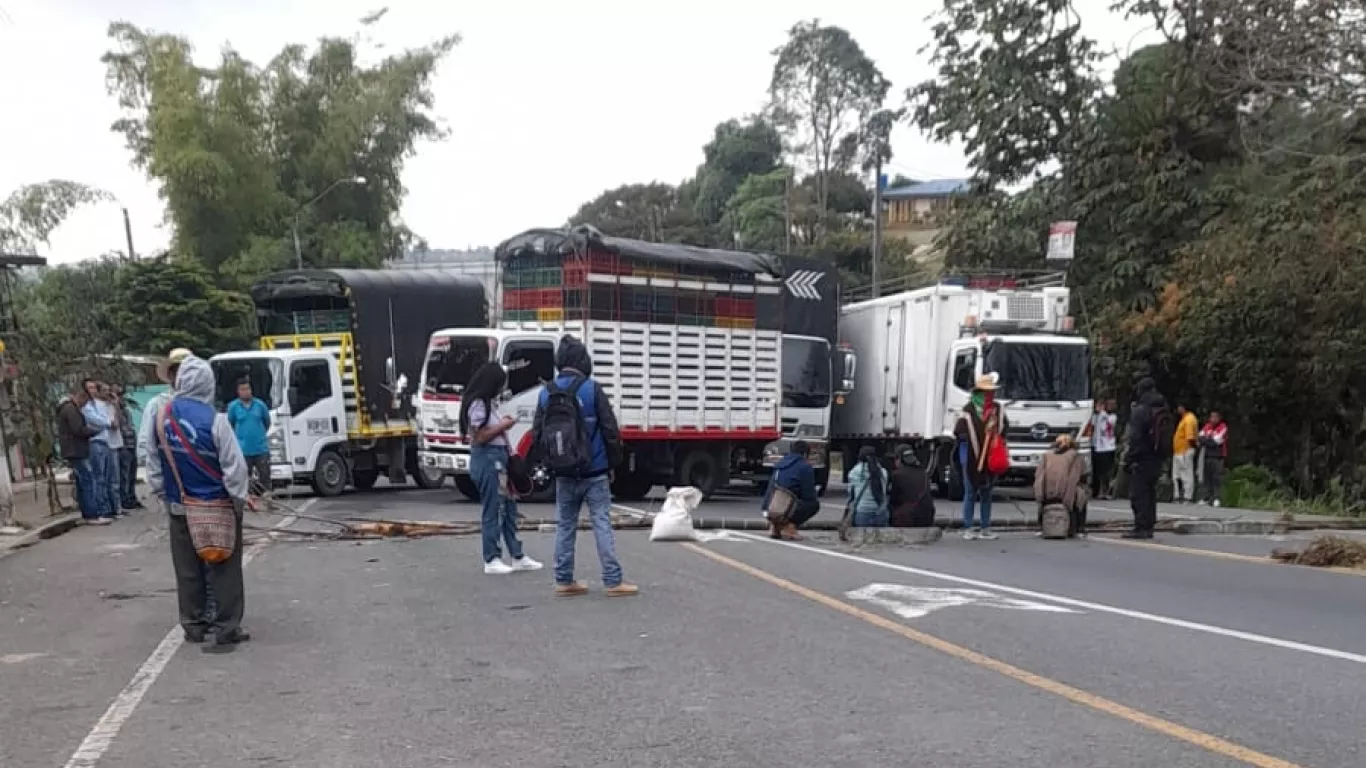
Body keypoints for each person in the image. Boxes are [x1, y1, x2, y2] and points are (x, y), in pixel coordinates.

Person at [145, 356, 253, 654]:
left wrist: (161, 492)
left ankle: (193, 626)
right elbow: (234, 467)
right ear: (207, 383)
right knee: (224, 566)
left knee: (187, 568)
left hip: (179, 504)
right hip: (216, 507)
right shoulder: (215, 419)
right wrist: (238, 500)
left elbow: (152, 461)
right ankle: (226, 627)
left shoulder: (160, 415)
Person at [533, 335, 636, 597]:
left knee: (565, 524)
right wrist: (613, 463)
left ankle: (564, 580)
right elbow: (610, 430)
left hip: (564, 471)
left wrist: (550, 463)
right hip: (595, 470)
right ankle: (613, 581)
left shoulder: (547, 392)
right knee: (601, 521)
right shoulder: (592, 389)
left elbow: (538, 435)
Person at [139, 348, 215, 622]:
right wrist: (159, 487)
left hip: (208, 498)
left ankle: (210, 611)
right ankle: (195, 618)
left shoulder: (207, 407)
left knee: (212, 556)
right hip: (179, 496)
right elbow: (149, 449)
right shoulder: (158, 406)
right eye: (176, 370)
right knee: (188, 563)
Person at [460, 362, 542, 575]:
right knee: (494, 509)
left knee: (509, 508)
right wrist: (503, 426)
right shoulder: (478, 404)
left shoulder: (488, 403)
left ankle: (517, 555)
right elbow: (478, 437)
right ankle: (492, 557)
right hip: (488, 459)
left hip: (499, 458)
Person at [954, 374, 1007, 540]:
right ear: (978, 393)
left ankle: (985, 527)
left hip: (989, 458)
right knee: (970, 492)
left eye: (991, 392)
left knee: (986, 493)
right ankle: (968, 527)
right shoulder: (967, 411)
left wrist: (994, 431)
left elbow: (1005, 430)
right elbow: (958, 432)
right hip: (970, 457)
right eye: (985, 392)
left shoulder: (997, 410)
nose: (989, 396)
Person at [1123, 377, 1171, 539]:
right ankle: (1149, 524)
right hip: (1158, 455)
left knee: (1139, 493)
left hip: (1142, 457)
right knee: (1150, 492)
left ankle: (1141, 526)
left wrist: (1129, 459)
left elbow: (1135, 438)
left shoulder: (1141, 410)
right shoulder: (1162, 406)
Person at [56, 384, 107, 524]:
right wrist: (93, 431)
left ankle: (88, 513)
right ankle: (92, 514)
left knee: (83, 482)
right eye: (84, 401)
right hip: (76, 450)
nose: (84, 405)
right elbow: (78, 429)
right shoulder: (71, 409)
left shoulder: (69, 408)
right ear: (79, 396)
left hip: (75, 449)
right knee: (88, 481)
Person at [761, 440, 820, 539]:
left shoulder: (780, 464)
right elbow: (808, 495)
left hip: (768, 510)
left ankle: (774, 526)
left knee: (782, 497)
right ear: (805, 454)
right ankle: (789, 527)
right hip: (784, 510)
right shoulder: (804, 467)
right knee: (813, 504)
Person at [80, 379, 121, 521]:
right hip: (95, 442)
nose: (93, 391)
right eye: (90, 388)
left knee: (106, 477)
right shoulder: (86, 406)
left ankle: (108, 508)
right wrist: (108, 422)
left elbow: (108, 419)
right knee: (99, 478)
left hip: (105, 441)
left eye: (94, 388)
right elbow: (99, 420)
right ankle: (102, 509)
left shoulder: (97, 405)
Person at [1034, 434, 1089, 537]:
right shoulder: (1076, 456)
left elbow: (1039, 475)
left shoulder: (1046, 455)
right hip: (1068, 495)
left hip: (1046, 495)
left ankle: (1040, 527)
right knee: (1082, 494)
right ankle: (1079, 529)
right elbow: (1082, 476)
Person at [227, 379, 272, 495]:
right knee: (245, 479)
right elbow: (229, 425)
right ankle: (249, 501)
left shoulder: (260, 405)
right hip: (243, 450)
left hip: (261, 449)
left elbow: (267, 422)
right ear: (238, 391)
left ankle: (268, 501)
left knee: (265, 477)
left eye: (247, 389)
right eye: (242, 389)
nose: (246, 392)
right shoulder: (233, 407)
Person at [888, 446, 936, 528]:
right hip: (927, 518)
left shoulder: (897, 475)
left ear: (900, 460)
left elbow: (893, 499)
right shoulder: (923, 473)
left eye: (895, 459)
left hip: (909, 518)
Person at [113, 385, 143, 511]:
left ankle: (131, 497)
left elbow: (130, 427)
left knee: (131, 474)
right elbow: (118, 425)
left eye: (121, 395)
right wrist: (115, 405)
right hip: (123, 445)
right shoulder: (114, 411)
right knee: (124, 474)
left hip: (131, 444)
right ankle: (124, 499)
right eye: (118, 395)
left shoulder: (126, 411)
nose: (121, 398)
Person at [845, 446, 889, 528]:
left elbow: (851, 494)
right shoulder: (883, 473)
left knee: (861, 539)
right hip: (881, 513)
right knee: (881, 540)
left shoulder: (854, 473)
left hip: (862, 512)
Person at [1087, 400, 1118, 500]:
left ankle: (1106, 491)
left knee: (1106, 471)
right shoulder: (1096, 416)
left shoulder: (1112, 417)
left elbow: (1105, 427)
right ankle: (1096, 491)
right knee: (1097, 471)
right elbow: (1092, 425)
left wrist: (1101, 412)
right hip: (1097, 446)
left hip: (1108, 447)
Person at [1198, 411, 1228, 507]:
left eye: (1215, 417)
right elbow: (1200, 437)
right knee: (1207, 478)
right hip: (1207, 456)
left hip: (1218, 457)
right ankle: (1206, 498)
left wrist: (1207, 440)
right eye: (1211, 417)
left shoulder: (1223, 427)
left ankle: (1216, 498)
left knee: (1216, 478)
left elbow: (1217, 441)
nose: (1213, 419)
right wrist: (1208, 440)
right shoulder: (1207, 426)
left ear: (1219, 418)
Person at [1172, 403, 1199, 503]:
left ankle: (1188, 497)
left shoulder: (1189, 419)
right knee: (1177, 475)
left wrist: (1191, 449)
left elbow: (1190, 437)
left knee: (1186, 475)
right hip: (1179, 451)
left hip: (1185, 451)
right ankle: (1178, 496)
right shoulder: (1184, 418)